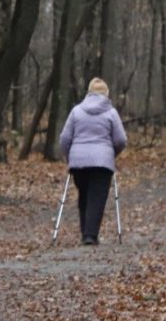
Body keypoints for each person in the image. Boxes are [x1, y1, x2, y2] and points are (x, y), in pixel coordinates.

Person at [58, 77, 127, 245]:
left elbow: (64, 139)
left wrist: (70, 157)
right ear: (106, 93)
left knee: (84, 195)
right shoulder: (111, 112)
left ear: (89, 92)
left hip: (78, 162)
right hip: (102, 162)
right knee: (97, 197)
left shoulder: (76, 111)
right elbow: (121, 140)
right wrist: (112, 153)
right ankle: (90, 235)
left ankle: (86, 232)